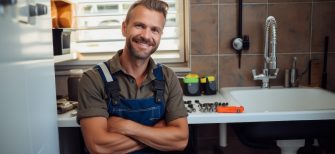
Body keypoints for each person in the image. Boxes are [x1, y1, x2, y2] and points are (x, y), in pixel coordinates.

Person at [77, 0, 189, 153]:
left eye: (155, 30)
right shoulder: (93, 79)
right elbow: (98, 146)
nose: (146, 36)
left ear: (161, 35)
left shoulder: (168, 77)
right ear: (124, 28)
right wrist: (157, 133)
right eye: (139, 26)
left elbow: (180, 140)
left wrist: (127, 127)